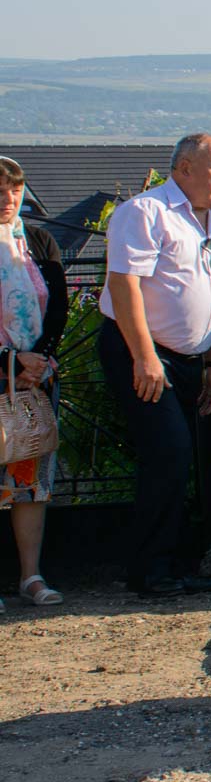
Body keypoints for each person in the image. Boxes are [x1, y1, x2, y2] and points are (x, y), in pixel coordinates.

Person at [101, 133, 211, 597]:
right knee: (169, 455)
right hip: (142, 353)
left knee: (188, 460)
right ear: (184, 169)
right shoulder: (144, 212)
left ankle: (178, 563)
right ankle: (150, 571)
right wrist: (144, 357)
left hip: (192, 360)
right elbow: (124, 286)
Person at [0, 156, 68, 607]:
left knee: (29, 483)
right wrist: (7, 360)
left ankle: (31, 575)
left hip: (32, 384)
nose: (8, 199)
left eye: (15, 189)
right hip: (4, 373)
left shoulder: (38, 241)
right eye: (0, 190)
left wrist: (39, 359)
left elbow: (58, 303)